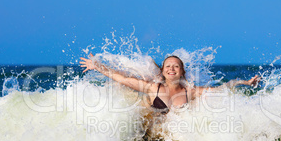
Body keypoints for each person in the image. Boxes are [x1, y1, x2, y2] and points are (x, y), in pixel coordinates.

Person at [80, 54, 260, 113]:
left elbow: (220, 89)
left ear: (182, 71)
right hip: (150, 133)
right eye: (168, 66)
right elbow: (123, 79)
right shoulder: (153, 87)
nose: (171, 69)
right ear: (163, 70)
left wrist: (245, 82)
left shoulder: (190, 91)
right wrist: (98, 66)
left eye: (176, 66)